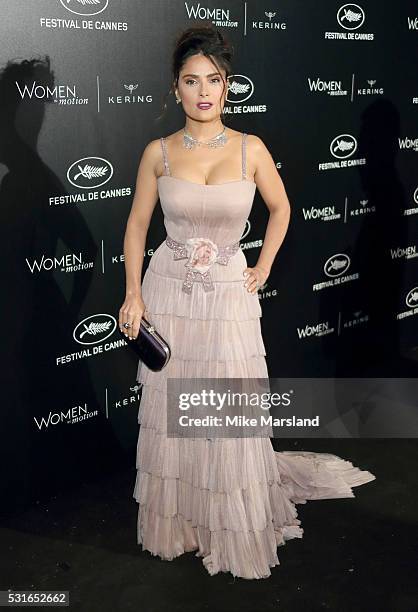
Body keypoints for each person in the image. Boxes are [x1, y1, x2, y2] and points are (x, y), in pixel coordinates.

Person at [119, 25, 376, 580]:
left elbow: (282, 210)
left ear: (228, 85)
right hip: (172, 292)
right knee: (174, 413)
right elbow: (137, 226)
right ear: (176, 88)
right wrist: (133, 293)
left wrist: (262, 266)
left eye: (213, 80)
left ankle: (228, 520)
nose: (203, 91)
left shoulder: (250, 149)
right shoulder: (157, 153)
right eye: (192, 81)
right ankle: (185, 521)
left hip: (229, 300)